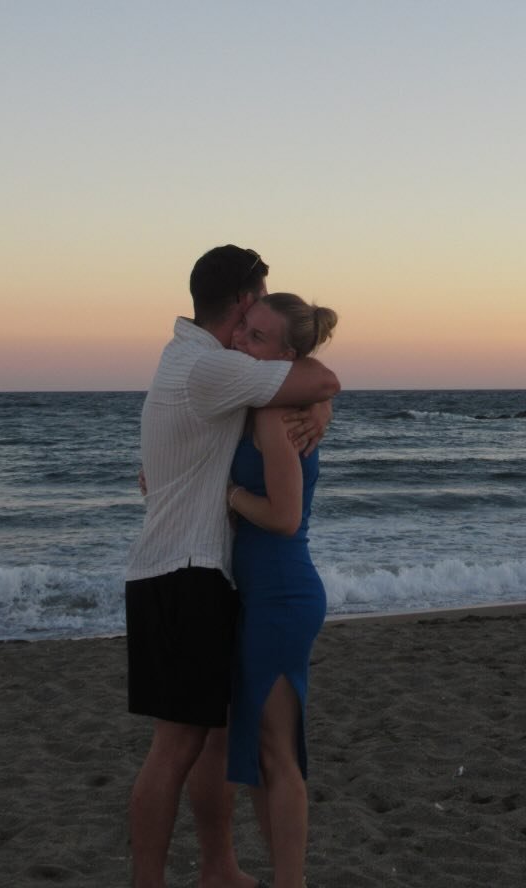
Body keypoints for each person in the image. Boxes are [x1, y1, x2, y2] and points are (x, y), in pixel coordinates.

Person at [126, 246, 339, 888]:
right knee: (178, 747)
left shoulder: (193, 363)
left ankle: (219, 869)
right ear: (245, 301)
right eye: (257, 308)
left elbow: (304, 385)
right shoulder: (212, 368)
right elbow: (319, 379)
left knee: (214, 740)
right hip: (185, 576)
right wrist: (320, 401)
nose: (252, 331)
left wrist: (317, 408)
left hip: (196, 577)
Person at [223, 293, 338, 888]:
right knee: (261, 752)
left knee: (277, 753)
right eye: (244, 328)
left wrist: (230, 496)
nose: (241, 341)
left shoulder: (273, 414)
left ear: (287, 357)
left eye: (258, 337)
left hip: (282, 596)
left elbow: (286, 517)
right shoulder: (257, 402)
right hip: (263, 596)